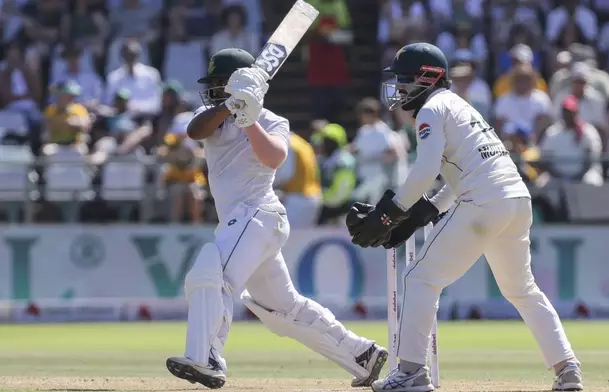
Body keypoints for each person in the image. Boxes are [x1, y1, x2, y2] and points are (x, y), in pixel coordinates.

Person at [345, 43, 583, 392]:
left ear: (426, 78)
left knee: (421, 278)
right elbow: (461, 174)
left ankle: (411, 372)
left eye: (404, 82)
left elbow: (426, 169)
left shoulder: (430, 110)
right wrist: (421, 213)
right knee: (522, 289)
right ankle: (568, 369)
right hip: (516, 200)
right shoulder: (459, 106)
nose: (398, 90)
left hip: (484, 202)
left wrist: (388, 213)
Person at [165, 48, 387, 389]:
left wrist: (249, 118)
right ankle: (363, 355)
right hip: (241, 224)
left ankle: (206, 357)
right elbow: (195, 132)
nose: (211, 90)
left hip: (258, 214)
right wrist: (230, 105)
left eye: (219, 84)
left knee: (210, 272)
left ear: (237, 82)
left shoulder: (271, 120)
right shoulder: (212, 116)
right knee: (283, 311)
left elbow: (274, 158)